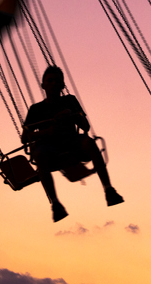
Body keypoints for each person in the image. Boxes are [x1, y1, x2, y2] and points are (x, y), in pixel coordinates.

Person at [22, 66, 123, 222]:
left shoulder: (70, 101)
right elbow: (25, 137)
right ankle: (55, 204)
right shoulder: (36, 109)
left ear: (63, 85)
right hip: (50, 148)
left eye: (57, 81)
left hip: (72, 144)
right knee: (39, 155)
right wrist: (47, 132)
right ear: (43, 85)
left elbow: (85, 127)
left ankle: (109, 190)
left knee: (89, 142)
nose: (54, 84)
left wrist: (73, 114)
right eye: (50, 81)